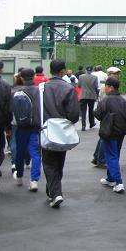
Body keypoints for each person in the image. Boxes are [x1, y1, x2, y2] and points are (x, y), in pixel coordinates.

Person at [41, 59, 80, 208]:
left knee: (48, 162)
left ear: (50, 70)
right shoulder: (68, 88)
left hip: (46, 129)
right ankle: (54, 191)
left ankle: (55, 192)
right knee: (58, 161)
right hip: (62, 130)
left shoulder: (42, 88)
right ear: (63, 71)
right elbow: (74, 114)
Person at [94, 77, 126, 194]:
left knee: (111, 156)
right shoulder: (123, 101)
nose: (104, 88)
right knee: (115, 155)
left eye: (106, 86)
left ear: (110, 87)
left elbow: (98, 115)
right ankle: (110, 178)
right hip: (121, 132)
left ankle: (118, 182)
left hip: (109, 132)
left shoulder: (105, 100)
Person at [11, 68, 41, 192]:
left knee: (20, 151)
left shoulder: (16, 91)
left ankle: (19, 177)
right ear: (33, 76)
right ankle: (34, 180)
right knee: (35, 153)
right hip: (34, 127)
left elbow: (11, 110)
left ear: (22, 78)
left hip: (20, 126)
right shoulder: (39, 91)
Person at [0, 62, 12, 183]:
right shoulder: (5, 86)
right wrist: (8, 126)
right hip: (0, 123)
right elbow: (8, 109)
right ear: (1, 70)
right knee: (0, 149)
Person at [78, 66, 100, 130]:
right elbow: (96, 86)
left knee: (83, 111)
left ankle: (83, 125)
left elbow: (79, 85)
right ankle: (91, 123)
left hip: (83, 95)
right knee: (91, 110)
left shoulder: (81, 77)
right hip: (91, 95)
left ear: (86, 70)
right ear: (92, 70)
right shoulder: (95, 77)